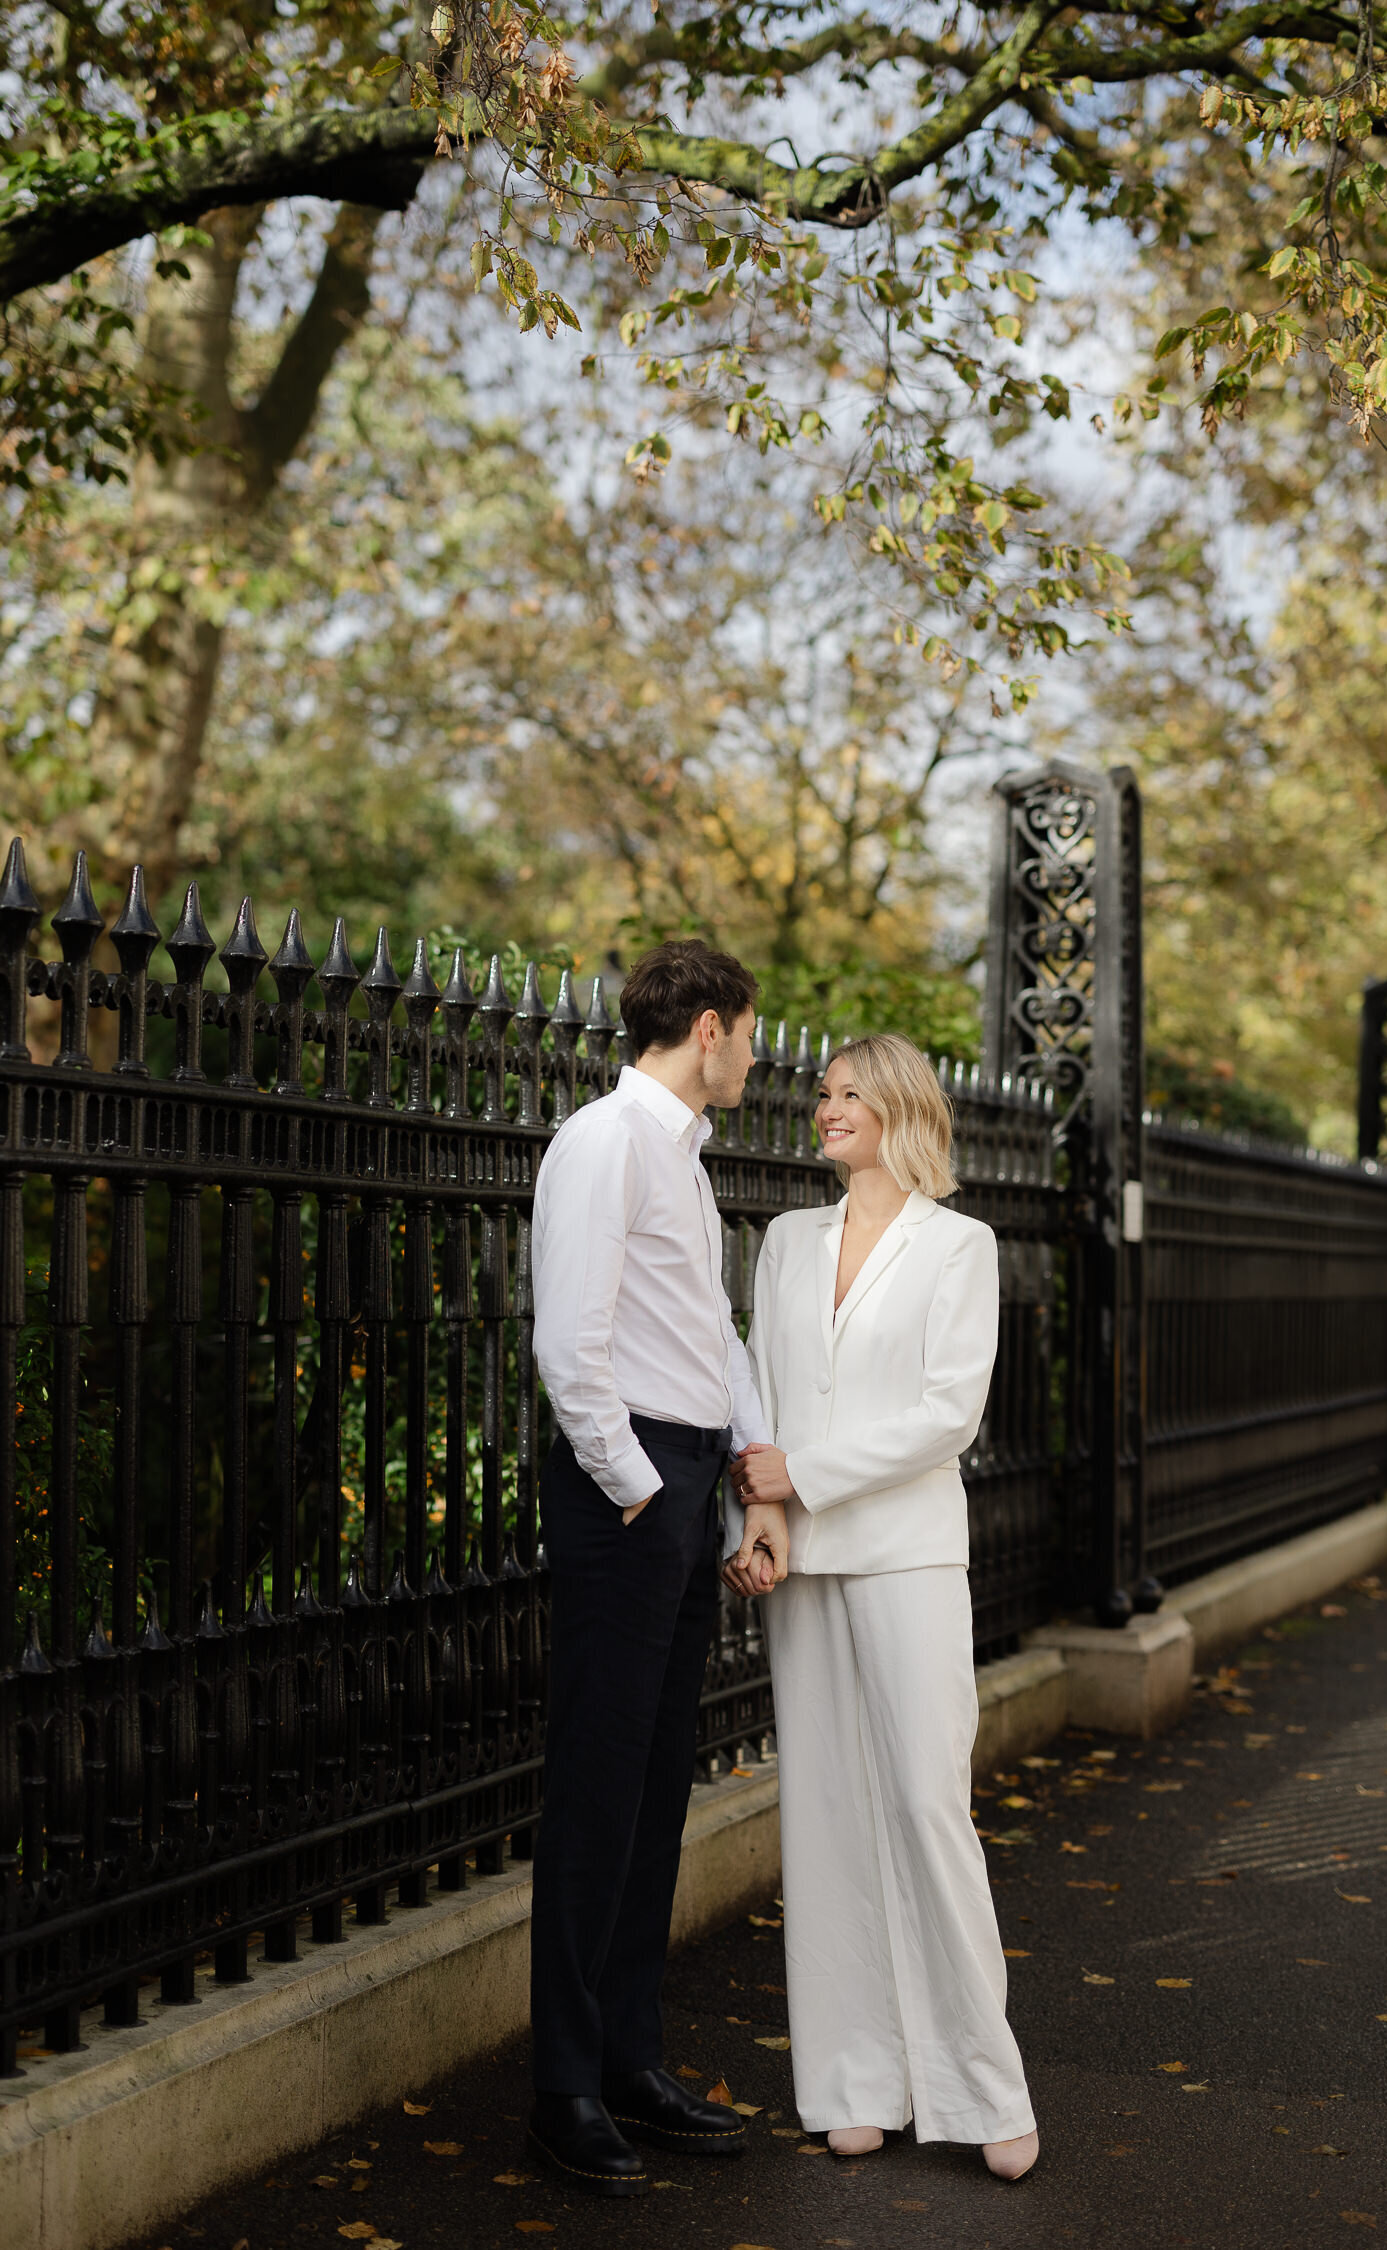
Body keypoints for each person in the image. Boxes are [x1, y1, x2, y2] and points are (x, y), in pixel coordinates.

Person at [729, 1032, 1039, 2179]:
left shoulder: (961, 1247)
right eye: (823, 1093)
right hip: (802, 1561)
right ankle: (854, 2082)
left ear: (903, 1107)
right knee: (824, 1816)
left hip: (907, 1556)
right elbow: (759, 1400)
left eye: (849, 1093)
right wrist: (761, 1523)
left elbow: (947, 1414)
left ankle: (982, 2090)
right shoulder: (787, 1242)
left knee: (922, 1806)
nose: (826, 1109)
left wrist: (803, 1478)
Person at [528, 939, 790, 2197]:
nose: (757, 1051)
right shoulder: (604, 1141)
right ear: (705, 1028)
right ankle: (565, 2085)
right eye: (749, 1031)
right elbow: (569, 1344)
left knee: (653, 1792)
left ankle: (631, 2057)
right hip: (625, 1488)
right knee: (595, 1790)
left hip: (684, 1482)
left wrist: (748, 1467)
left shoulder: (682, 1159)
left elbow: (711, 1331)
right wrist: (641, 1492)